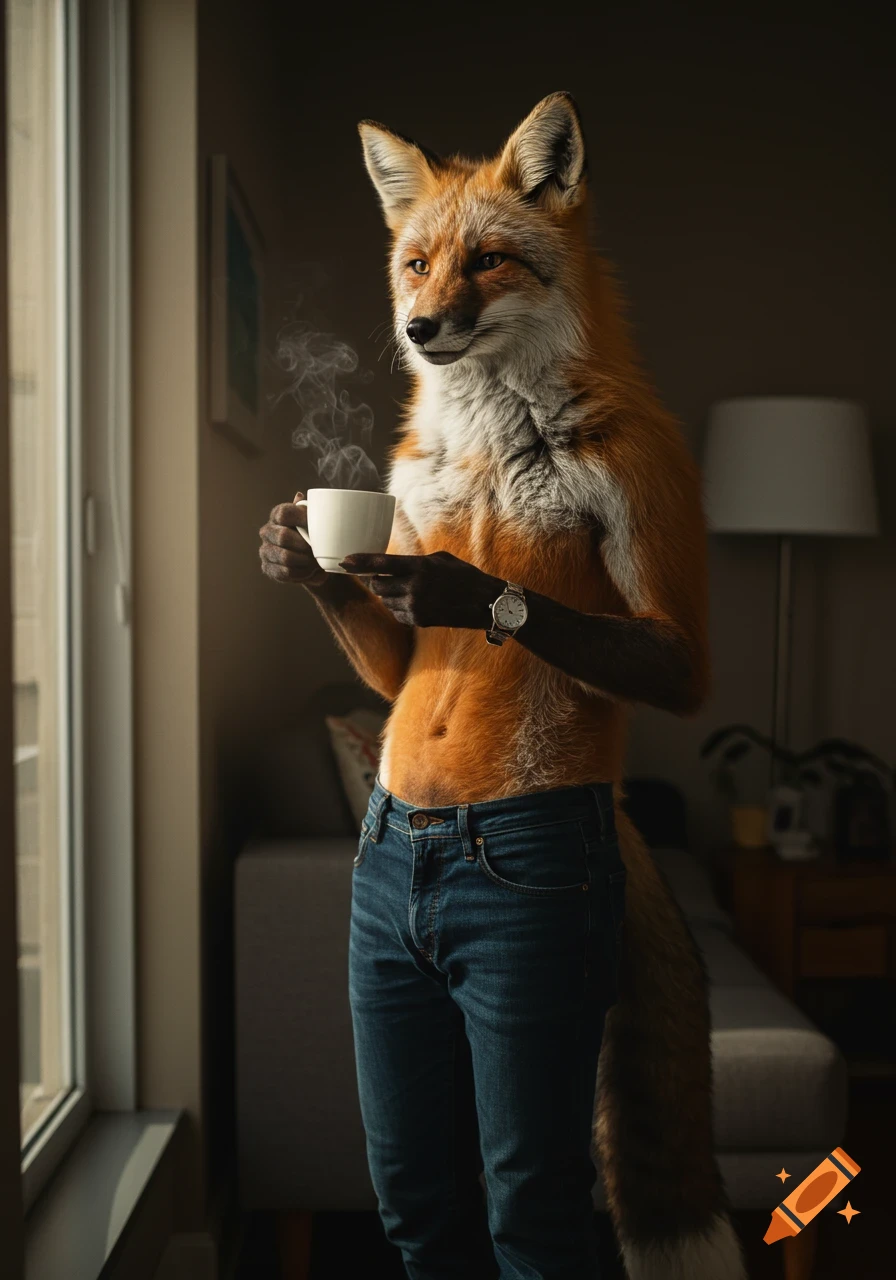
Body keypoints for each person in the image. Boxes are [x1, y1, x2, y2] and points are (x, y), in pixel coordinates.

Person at [259, 93, 744, 1280]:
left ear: (552, 230)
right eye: (417, 261)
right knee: (413, 1201)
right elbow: (405, 677)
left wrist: (503, 606)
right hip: (391, 850)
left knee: (529, 1206)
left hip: (532, 847)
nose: (435, 299)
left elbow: (676, 669)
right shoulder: (416, 456)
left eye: (484, 262)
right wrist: (328, 589)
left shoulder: (619, 447)